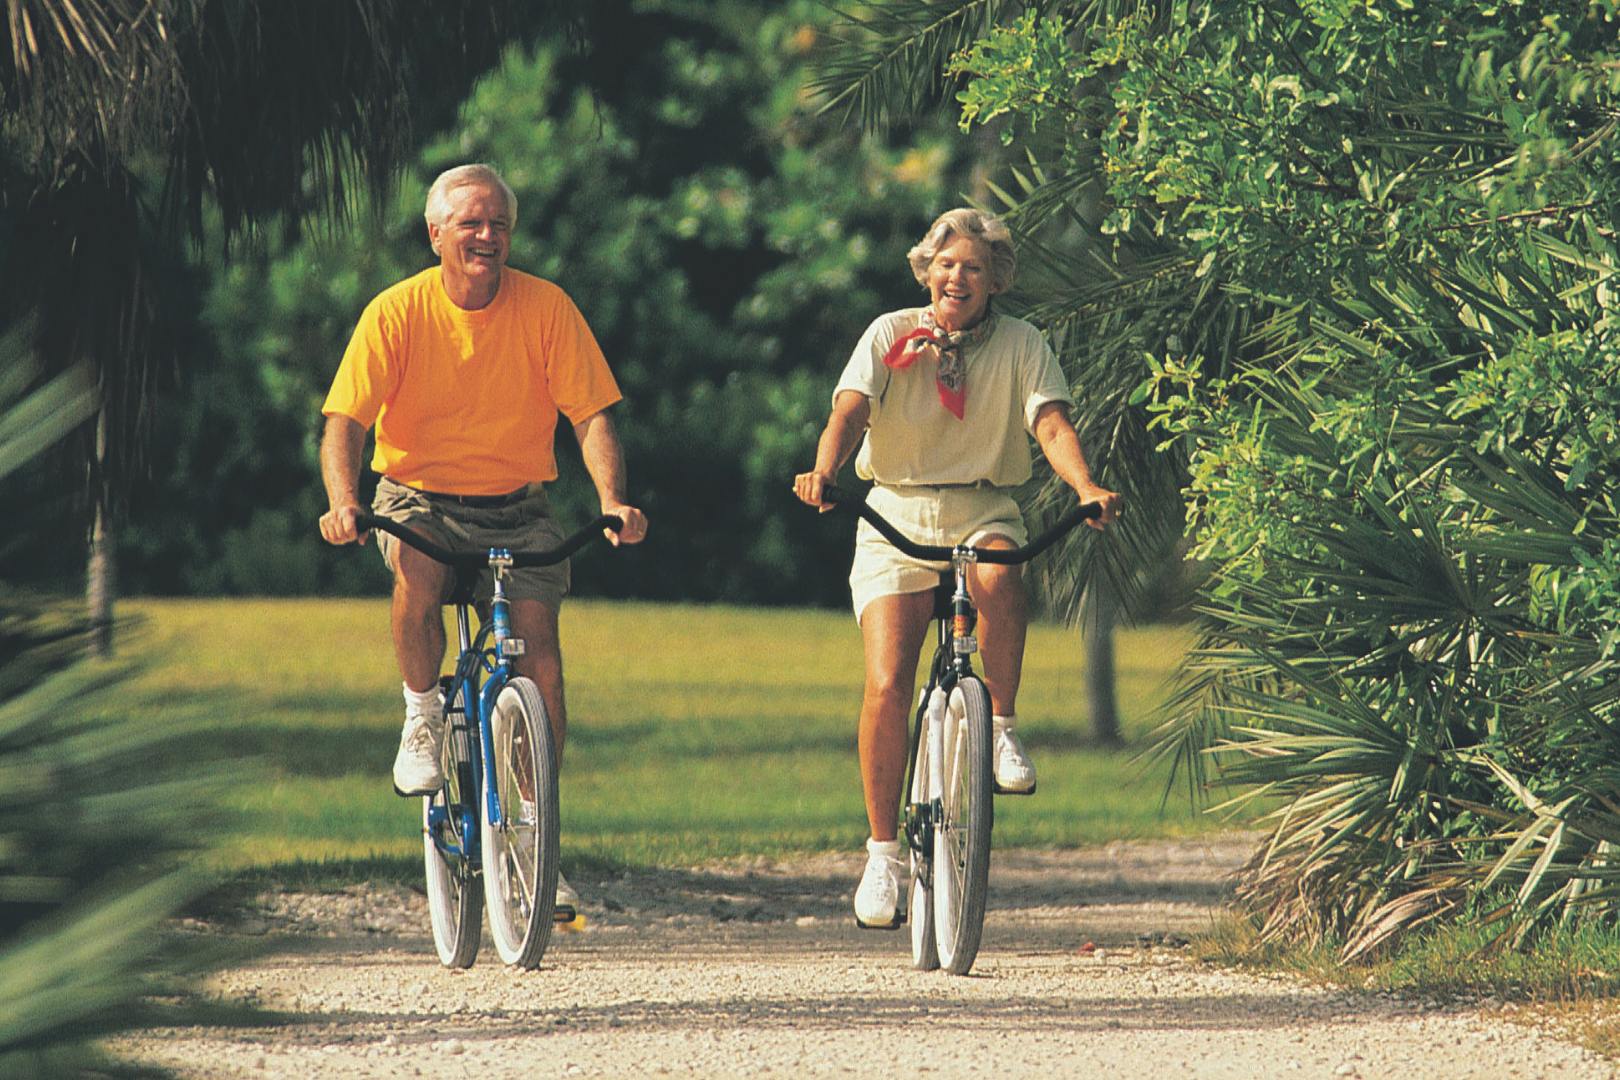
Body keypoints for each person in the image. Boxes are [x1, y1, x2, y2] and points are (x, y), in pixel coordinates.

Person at [317, 163, 647, 918]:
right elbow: (346, 424)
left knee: (537, 648)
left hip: (517, 505)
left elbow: (591, 416)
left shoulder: (546, 308)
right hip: (417, 497)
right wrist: (343, 502)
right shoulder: (396, 313)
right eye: (470, 223)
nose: (487, 236)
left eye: (498, 223)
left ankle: (537, 838)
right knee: (421, 567)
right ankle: (421, 715)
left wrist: (612, 500)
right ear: (436, 234)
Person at [793, 208, 1121, 929]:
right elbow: (848, 411)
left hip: (983, 507)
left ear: (995, 279)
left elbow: (1051, 423)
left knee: (1004, 575)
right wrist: (824, 471)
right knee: (886, 681)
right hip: (896, 515)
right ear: (925, 270)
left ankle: (1000, 723)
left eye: (973, 267)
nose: (957, 277)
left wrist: (1084, 486)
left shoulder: (1023, 344)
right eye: (946, 264)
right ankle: (883, 856)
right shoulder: (887, 333)